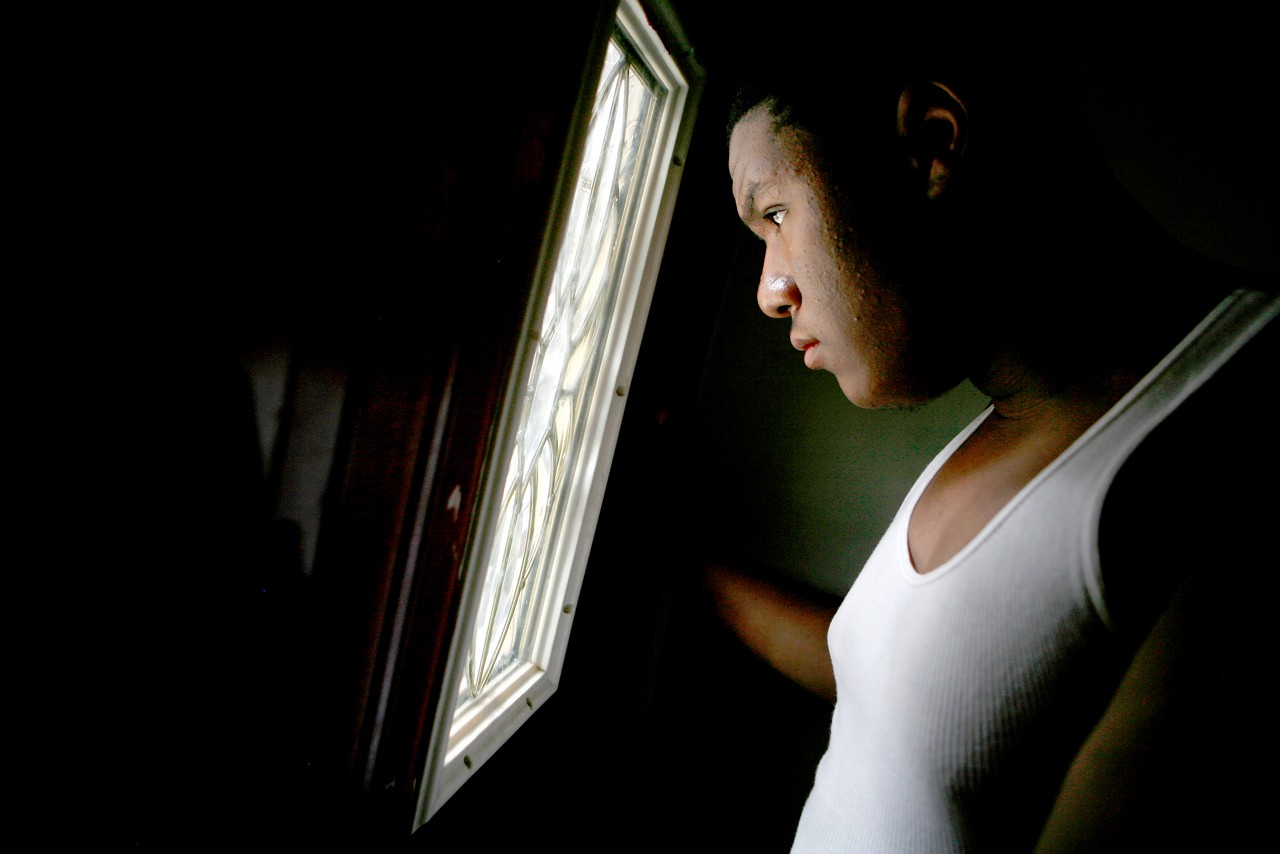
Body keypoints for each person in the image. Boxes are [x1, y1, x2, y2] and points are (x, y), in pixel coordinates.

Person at [708, 19, 1277, 852]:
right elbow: (917, 700)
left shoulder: (1232, 420)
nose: (770, 290)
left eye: (777, 213)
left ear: (933, 144)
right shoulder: (1022, 420)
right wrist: (693, 572)